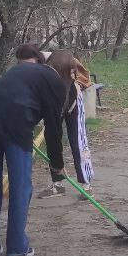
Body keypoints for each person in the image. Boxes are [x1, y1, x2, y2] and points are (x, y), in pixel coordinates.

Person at [0, 43, 67, 256]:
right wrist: (57, 166)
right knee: (20, 185)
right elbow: (53, 128)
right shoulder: (55, 82)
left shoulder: (22, 71)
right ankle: (17, 247)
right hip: (16, 123)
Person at [37, 50, 95, 198]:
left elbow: (66, 97)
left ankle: (86, 184)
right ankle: (57, 184)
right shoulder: (41, 69)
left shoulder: (66, 70)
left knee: (78, 141)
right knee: (52, 139)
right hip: (55, 105)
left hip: (73, 103)